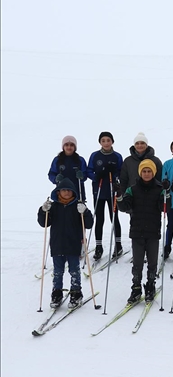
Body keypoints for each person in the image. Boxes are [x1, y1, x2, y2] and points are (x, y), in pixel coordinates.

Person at [38, 178, 94, 309]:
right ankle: (56, 293)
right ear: (58, 192)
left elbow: (89, 224)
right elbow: (44, 223)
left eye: (69, 190)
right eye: (63, 190)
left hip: (73, 244)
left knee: (74, 270)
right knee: (58, 271)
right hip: (57, 244)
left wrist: (85, 212)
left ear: (73, 192)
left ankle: (76, 293)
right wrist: (43, 211)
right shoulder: (54, 207)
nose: (67, 192)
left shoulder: (77, 206)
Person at [116, 159, 165, 304]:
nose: (147, 174)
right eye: (144, 171)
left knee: (152, 261)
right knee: (137, 262)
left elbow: (164, 208)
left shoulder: (159, 188)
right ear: (140, 173)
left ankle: (150, 285)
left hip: (153, 231)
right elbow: (124, 207)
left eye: (149, 171)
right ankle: (136, 287)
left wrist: (166, 193)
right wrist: (119, 195)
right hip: (137, 230)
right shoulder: (132, 189)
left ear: (153, 173)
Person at [87, 131, 123, 260]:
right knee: (99, 219)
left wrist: (115, 175)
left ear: (112, 141)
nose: (106, 143)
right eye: (103, 141)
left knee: (114, 218)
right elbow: (89, 171)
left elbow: (121, 171)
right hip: (99, 191)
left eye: (108, 140)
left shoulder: (117, 156)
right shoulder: (95, 155)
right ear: (100, 142)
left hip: (112, 191)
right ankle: (98, 246)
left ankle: (118, 245)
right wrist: (96, 176)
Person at [48, 135, 90, 203]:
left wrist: (82, 176)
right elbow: (51, 174)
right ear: (63, 147)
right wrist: (56, 179)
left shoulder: (80, 160)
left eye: (71, 145)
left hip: (77, 192)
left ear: (75, 147)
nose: (69, 147)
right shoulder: (57, 160)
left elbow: (85, 174)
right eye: (66, 145)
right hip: (62, 193)